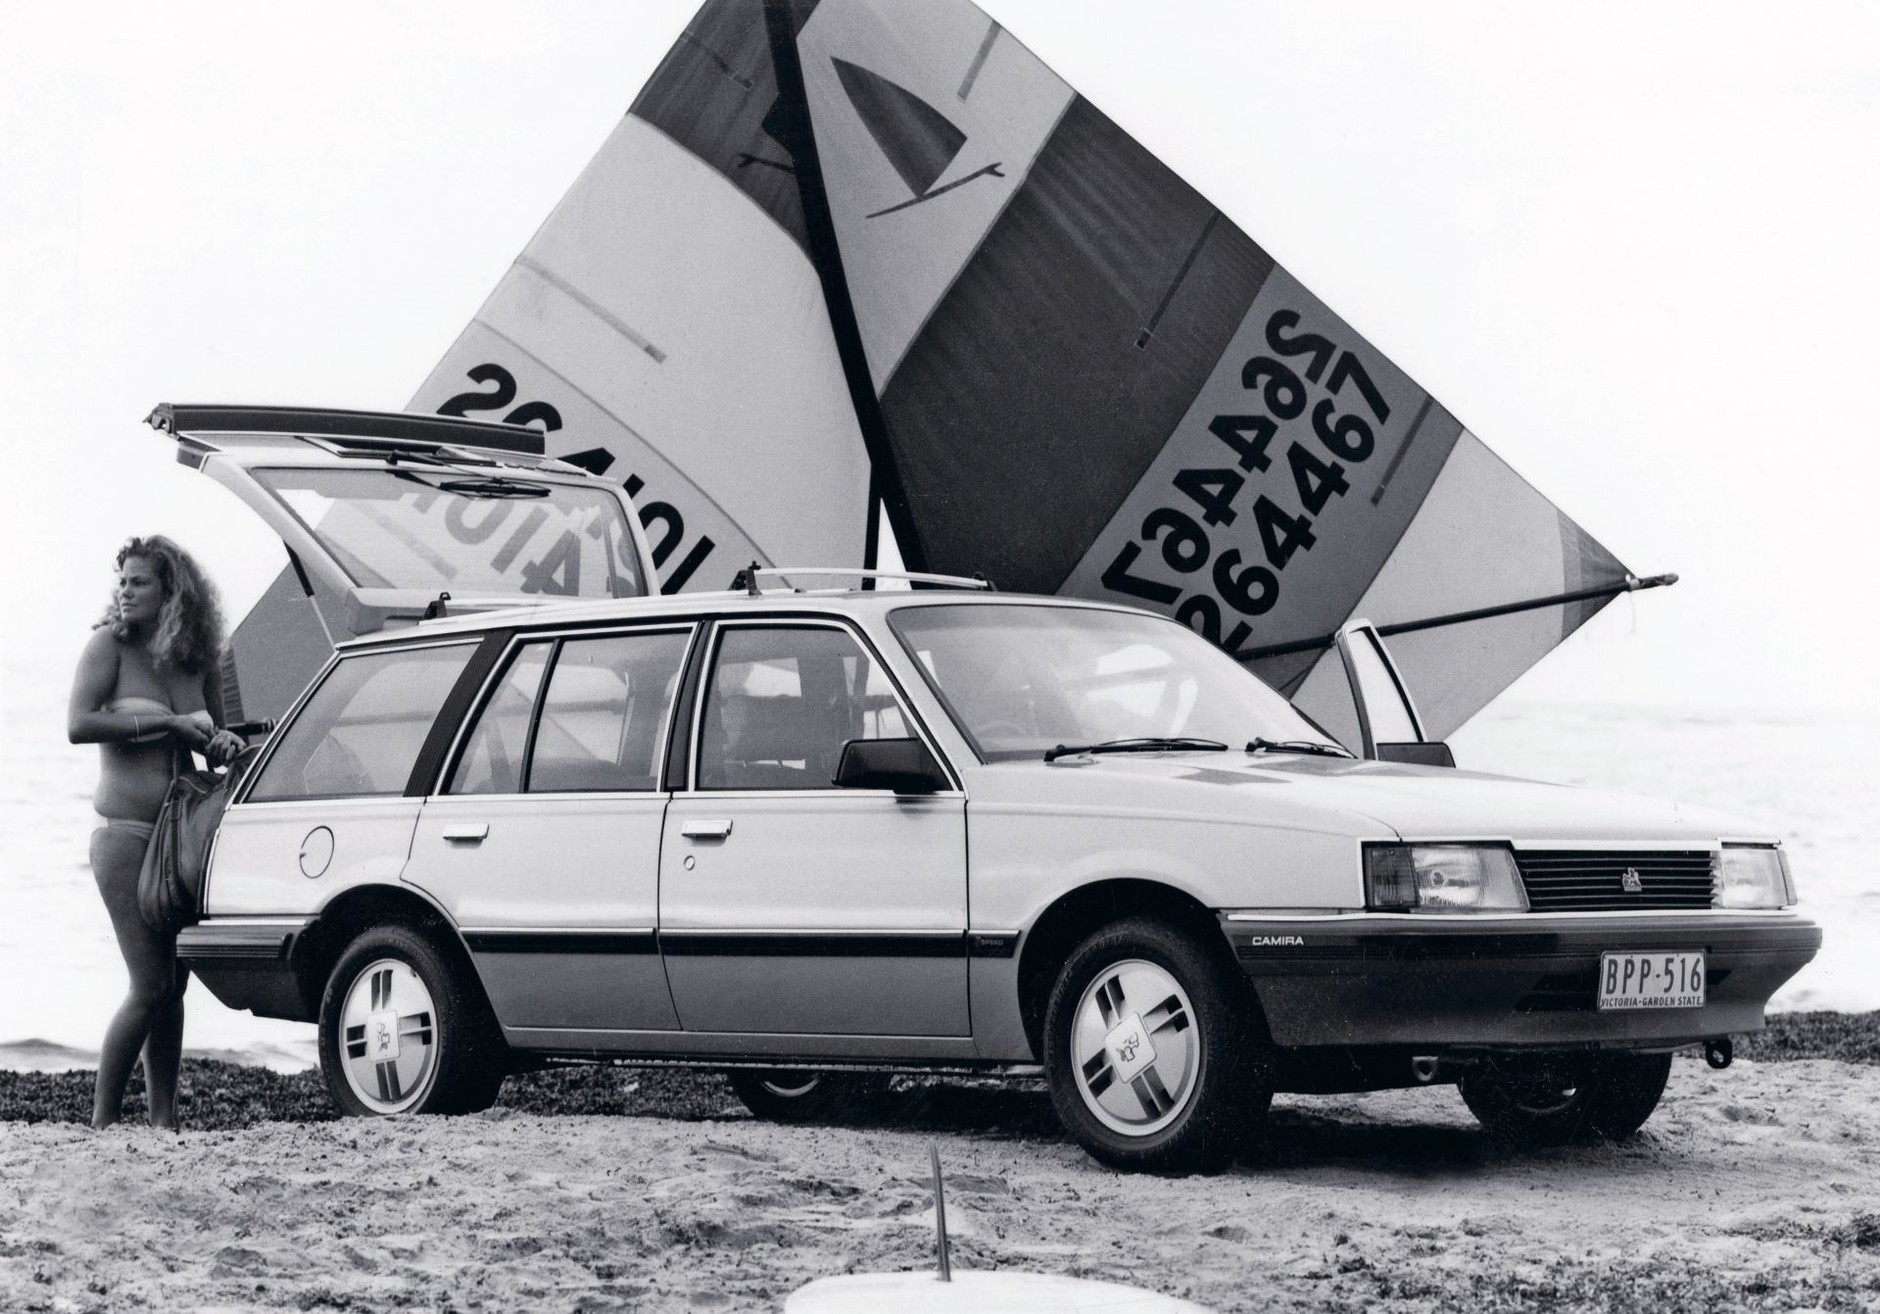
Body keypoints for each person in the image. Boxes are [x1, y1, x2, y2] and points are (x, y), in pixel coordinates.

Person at [67, 536, 243, 1130]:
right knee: (150, 984)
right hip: (124, 832)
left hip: (181, 837)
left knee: (175, 987)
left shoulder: (201, 658)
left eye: (138, 582)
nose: (125, 591)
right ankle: (103, 1121)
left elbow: (218, 746)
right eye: (122, 581)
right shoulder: (108, 646)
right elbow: (78, 724)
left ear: (172, 591)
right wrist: (166, 723)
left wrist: (223, 742)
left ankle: (164, 1122)